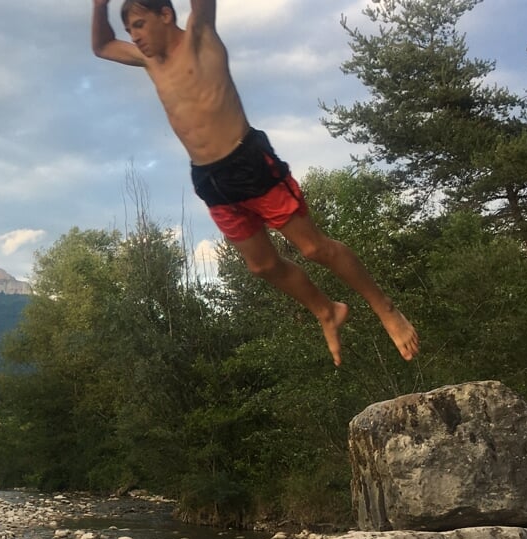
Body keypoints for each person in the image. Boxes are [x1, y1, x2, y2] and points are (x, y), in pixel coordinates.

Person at [91, 0, 419, 366]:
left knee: (313, 248)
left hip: (249, 162)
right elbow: (102, 46)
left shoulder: (201, 37)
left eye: (139, 24)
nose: (135, 36)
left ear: (165, 15)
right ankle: (326, 310)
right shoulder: (149, 61)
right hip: (211, 180)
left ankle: (385, 307)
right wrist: (98, 5)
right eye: (130, 30)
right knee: (261, 266)